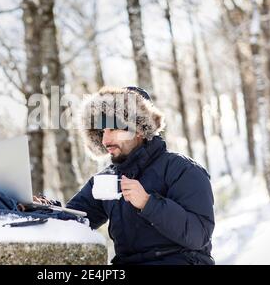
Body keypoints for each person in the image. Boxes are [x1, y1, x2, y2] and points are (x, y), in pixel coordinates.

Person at [39, 86, 215, 265]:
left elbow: (198, 235)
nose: (105, 140)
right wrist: (43, 209)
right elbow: (74, 219)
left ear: (139, 129)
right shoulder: (106, 180)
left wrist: (148, 203)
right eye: (102, 132)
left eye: (113, 129)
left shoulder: (182, 170)